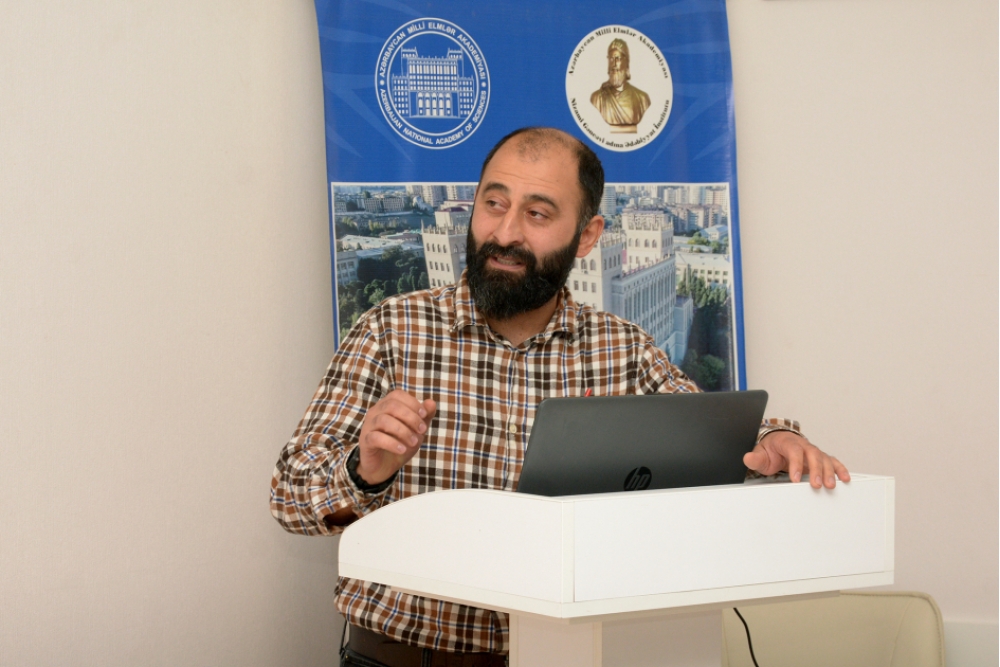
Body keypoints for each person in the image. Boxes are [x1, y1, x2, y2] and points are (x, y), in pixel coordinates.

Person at [270, 127, 850, 667]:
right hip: (403, 657)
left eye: (538, 213)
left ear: (588, 236)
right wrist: (364, 469)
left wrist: (775, 436)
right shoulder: (392, 330)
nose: (505, 233)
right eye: (493, 203)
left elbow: (710, 431)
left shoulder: (622, 348)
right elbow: (290, 498)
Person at [590, 39, 651, 132]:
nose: (614, 64)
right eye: (611, 59)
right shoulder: (597, 98)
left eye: (618, 59)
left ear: (626, 62)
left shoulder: (642, 98)